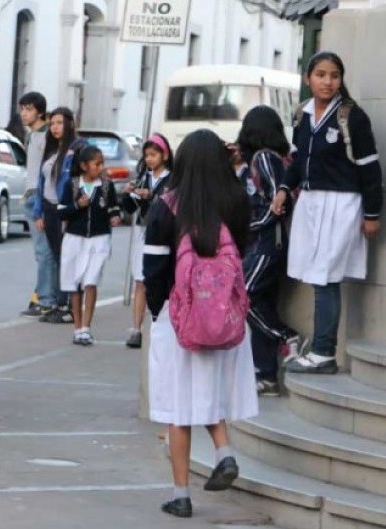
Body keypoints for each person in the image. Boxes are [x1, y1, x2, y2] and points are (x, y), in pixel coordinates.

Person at [144, 129, 257, 518]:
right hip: (224, 320)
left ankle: (181, 495)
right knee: (207, 393)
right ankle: (224, 451)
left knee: (179, 408)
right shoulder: (237, 201)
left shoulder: (166, 205)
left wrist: (158, 312)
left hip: (182, 320)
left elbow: (154, 268)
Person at [272, 51, 382, 375]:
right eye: (320, 74)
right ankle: (321, 349)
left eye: (334, 75)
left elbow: (369, 169)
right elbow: (296, 159)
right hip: (310, 202)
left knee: (326, 278)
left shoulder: (351, 117)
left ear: (340, 80)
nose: (327, 81)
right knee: (315, 274)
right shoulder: (302, 114)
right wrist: (282, 188)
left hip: (341, 204)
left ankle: (323, 352)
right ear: (308, 78)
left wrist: (372, 214)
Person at [236, 106, 302, 395]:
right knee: (261, 301)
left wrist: (253, 226)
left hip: (266, 242)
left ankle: (288, 336)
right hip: (268, 241)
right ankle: (266, 374)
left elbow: (277, 203)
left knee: (245, 296)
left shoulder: (264, 158)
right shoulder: (271, 158)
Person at [58, 145, 121, 345]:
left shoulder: (106, 186)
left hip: (99, 238)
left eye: (102, 163)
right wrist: (77, 205)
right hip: (75, 239)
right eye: (96, 164)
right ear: (84, 166)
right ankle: (77, 327)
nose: (100, 167)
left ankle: (86, 326)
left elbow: (113, 208)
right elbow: (61, 212)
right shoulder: (72, 185)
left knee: (91, 281)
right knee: (75, 284)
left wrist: (115, 216)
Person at [120, 133, 173, 348]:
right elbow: (129, 208)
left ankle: (159, 322)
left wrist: (150, 197)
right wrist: (127, 194)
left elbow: (170, 205)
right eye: (147, 155)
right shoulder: (143, 177)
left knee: (159, 280)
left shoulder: (172, 179)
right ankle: (136, 328)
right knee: (140, 280)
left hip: (164, 236)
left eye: (154, 155)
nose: (150, 159)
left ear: (165, 155)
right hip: (144, 232)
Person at [34, 107, 80, 324]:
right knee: (56, 257)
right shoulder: (52, 151)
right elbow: (41, 182)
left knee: (68, 258)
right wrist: (39, 212)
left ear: (70, 124)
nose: (54, 127)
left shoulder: (78, 148)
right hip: (49, 209)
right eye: (52, 123)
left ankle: (70, 305)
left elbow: (85, 178)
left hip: (66, 211)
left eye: (59, 123)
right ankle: (59, 303)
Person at [17, 92, 55, 318]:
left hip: (40, 197)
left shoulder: (47, 135)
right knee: (42, 252)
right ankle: (42, 295)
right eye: (22, 109)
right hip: (31, 195)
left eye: (29, 109)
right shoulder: (31, 136)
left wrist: (39, 202)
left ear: (40, 112)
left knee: (45, 252)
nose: (24, 113)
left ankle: (46, 299)